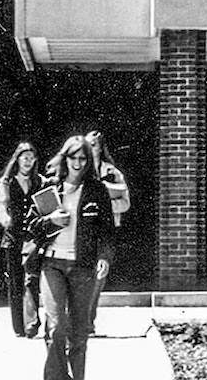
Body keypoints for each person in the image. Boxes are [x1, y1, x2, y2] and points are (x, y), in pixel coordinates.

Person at [36, 135, 114, 380]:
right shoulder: (50, 186)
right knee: (56, 326)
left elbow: (107, 229)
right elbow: (31, 225)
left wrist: (104, 256)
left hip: (83, 265)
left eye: (83, 158)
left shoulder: (96, 190)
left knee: (79, 332)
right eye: (73, 158)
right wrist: (50, 220)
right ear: (65, 158)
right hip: (52, 264)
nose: (78, 163)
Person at [0, 141, 44, 338]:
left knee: (31, 279)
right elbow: (0, 205)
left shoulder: (39, 181)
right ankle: (18, 326)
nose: (28, 161)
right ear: (18, 159)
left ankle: (31, 321)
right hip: (13, 236)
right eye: (25, 157)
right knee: (15, 282)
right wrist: (5, 220)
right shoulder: (7, 182)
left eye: (31, 158)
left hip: (33, 237)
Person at [83, 130, 130, 336]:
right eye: (86, 144)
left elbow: (125, 203)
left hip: (105, 231)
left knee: (98, 277)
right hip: (82, 230)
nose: (89, 148)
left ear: (100, 147)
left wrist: (102, 203)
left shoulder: (112, 173)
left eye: (93, 144)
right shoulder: (76, 169)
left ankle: (88, 321)